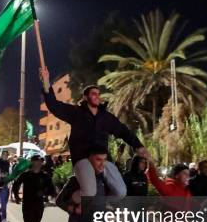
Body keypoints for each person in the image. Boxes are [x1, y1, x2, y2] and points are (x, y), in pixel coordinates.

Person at [39, 66, 146, 197]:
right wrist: (46, 82)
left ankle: (104, 207)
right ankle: (73, 194)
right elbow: (55, 106)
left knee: (121, 192)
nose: (97, 96)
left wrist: (138, 146)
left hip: (103, 158)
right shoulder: (76, 113)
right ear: (85, 97)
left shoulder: (106, 117)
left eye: (98, 94)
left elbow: (123, 131)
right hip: (82, 158)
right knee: (89, 192)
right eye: (93, 94)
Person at [0, 150, 11, 222]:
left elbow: (8, 173)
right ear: (1, 155)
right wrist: (0, 175)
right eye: (4, 154)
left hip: (5, 185)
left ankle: (3, 219)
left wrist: (8, 176)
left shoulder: (8, 163)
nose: (5, 156)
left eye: (6, 154)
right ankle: (0, 218)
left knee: (4, 203)